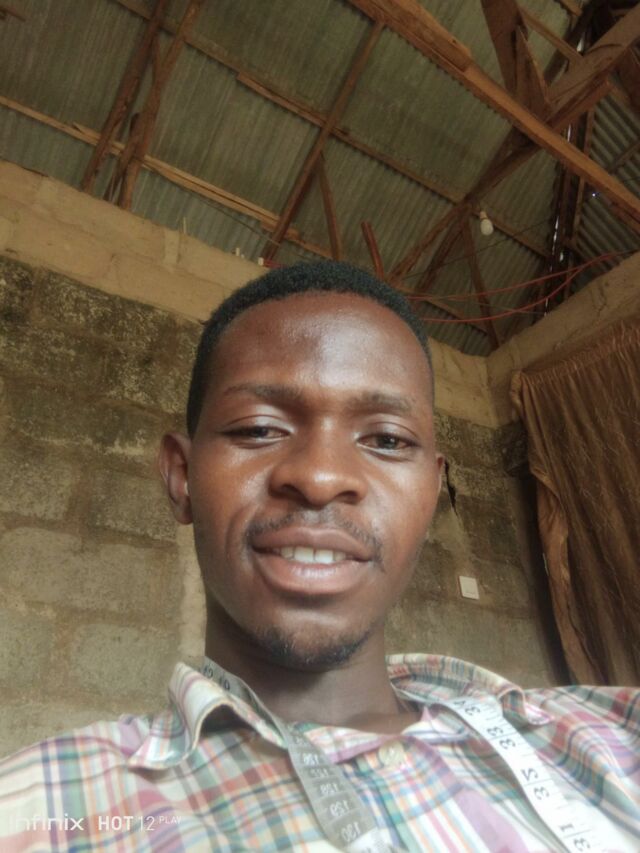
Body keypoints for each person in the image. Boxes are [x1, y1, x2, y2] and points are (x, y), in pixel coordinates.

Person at [0, 261, 638, 852]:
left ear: (433, 491)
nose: (321, 476)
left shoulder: (609, 740)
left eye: (386, 439)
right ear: (182, 477)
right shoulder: (42, 812)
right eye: (258, 428)